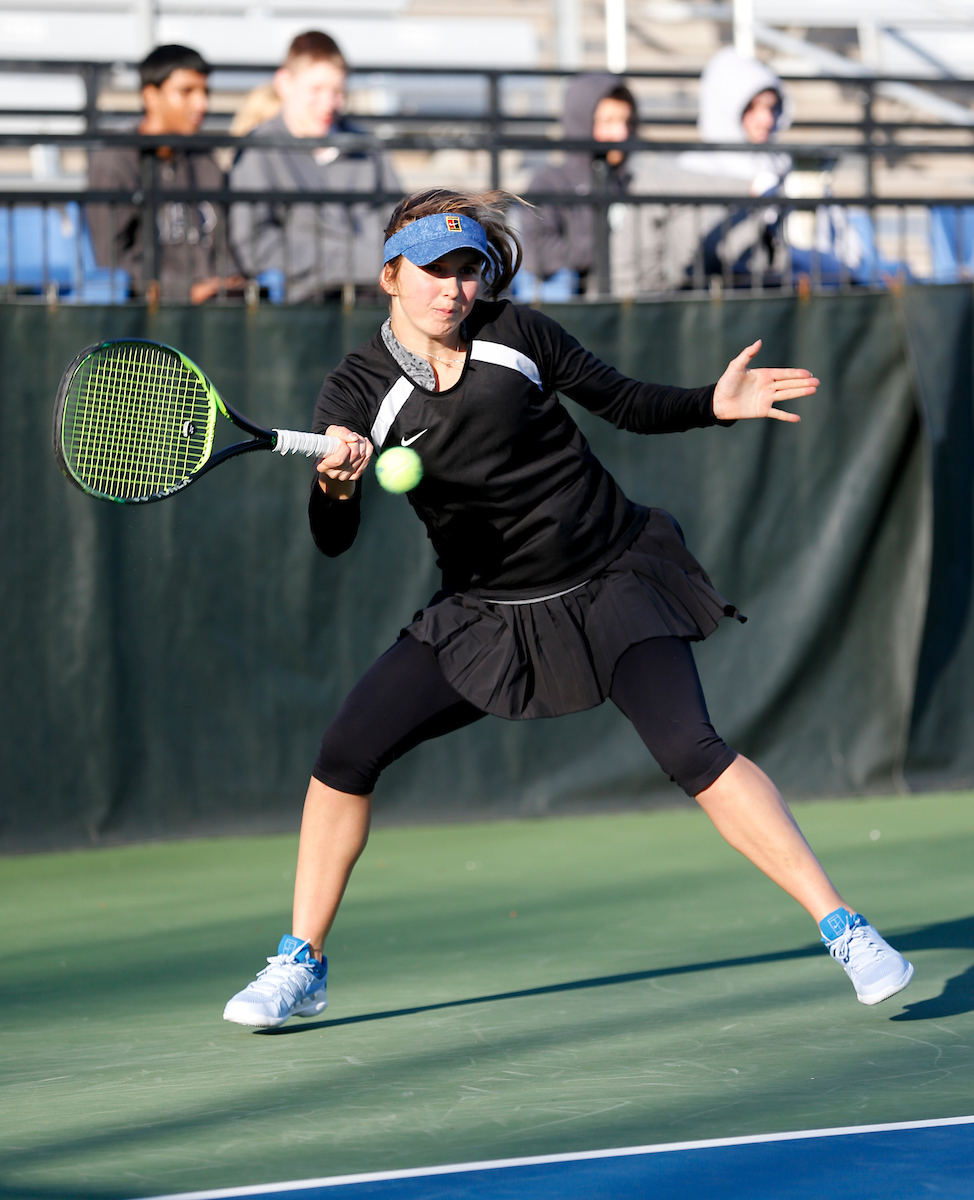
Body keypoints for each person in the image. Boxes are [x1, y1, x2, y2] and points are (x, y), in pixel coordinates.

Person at [222, 187, 914, 1030]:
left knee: (692, 749)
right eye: (433, 271)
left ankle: (844, 928)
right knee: (344, 751)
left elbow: (624, 401)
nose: (451, 289)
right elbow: (332, 538)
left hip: (612, 577)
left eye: (467, 270)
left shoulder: (518, 334)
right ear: (389, 278)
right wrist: (333, 486)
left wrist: (711, 403)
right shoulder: (357, 388)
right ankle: (302, 961)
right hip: (484, 609)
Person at [228, 31, 401, 304]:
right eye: (316, 90)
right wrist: (360, 261)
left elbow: (397, 223)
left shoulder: (367, 148)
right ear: (285, 84)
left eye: (337, 91)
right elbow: (254, 243)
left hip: (375, 296)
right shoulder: (259, 150)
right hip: (304, 303)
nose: (329, 103)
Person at [87, 44, 244, 304]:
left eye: (205, 91)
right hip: (151, 316)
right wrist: (181, 291)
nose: (201, 103)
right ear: (151, 95)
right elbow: (111, 258)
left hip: (217, 307)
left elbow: (225, 244)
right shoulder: (116, 159)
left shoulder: (205, 159)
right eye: (186, 92)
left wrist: (232, 279)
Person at [515, 73, 637, 300]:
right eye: (608, 122)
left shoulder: (630, 182)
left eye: (627, 121)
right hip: (568, 298)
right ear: (581, 121)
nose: (622, 133)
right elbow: (538, 251)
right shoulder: (548, 183)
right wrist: (607, 250)